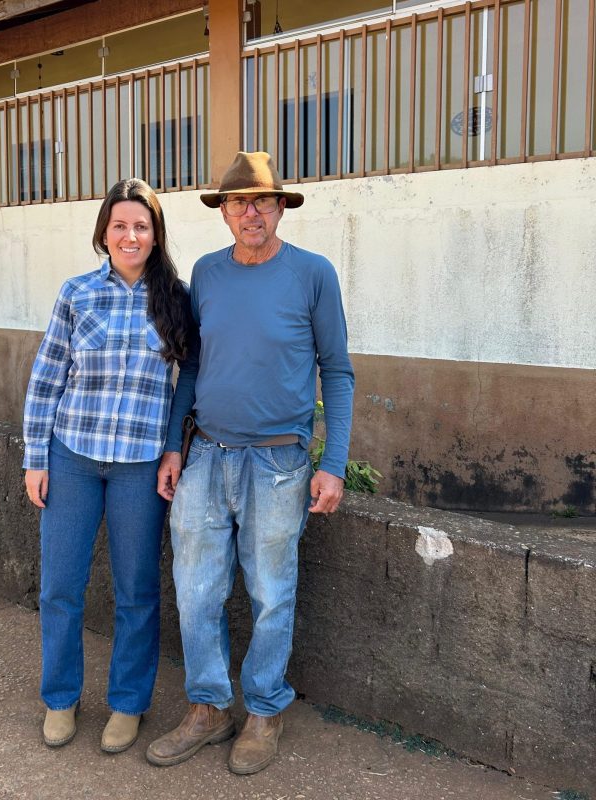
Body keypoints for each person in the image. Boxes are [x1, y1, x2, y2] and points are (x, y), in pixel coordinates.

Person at [146, 151, 355, 775]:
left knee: (270, 592)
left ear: (280, 207)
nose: (250, 212)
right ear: (224, 212)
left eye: (262, 201)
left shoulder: (312, 274)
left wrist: (333, 462)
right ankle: (210, 709)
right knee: (197, 588)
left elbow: (337, 372)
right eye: (238, 202)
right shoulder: (207, 275)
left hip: (279, 464)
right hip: (208, 454)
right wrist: (174, 444)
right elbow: (193, 367)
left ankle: (264, 710)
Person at [23, 178, 191, 755]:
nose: (129, 235)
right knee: (61, 586)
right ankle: (61, 698)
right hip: (72, 457)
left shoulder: (176, 299)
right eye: (119, 225)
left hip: (139, 467)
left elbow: (188, 385)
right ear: (103, 232)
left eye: (141, 226)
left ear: (155, 235)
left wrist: (174, 448)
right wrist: (34, 458)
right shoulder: (77, 293)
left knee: (137, 590)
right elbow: (47, 379)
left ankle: (127, 704)